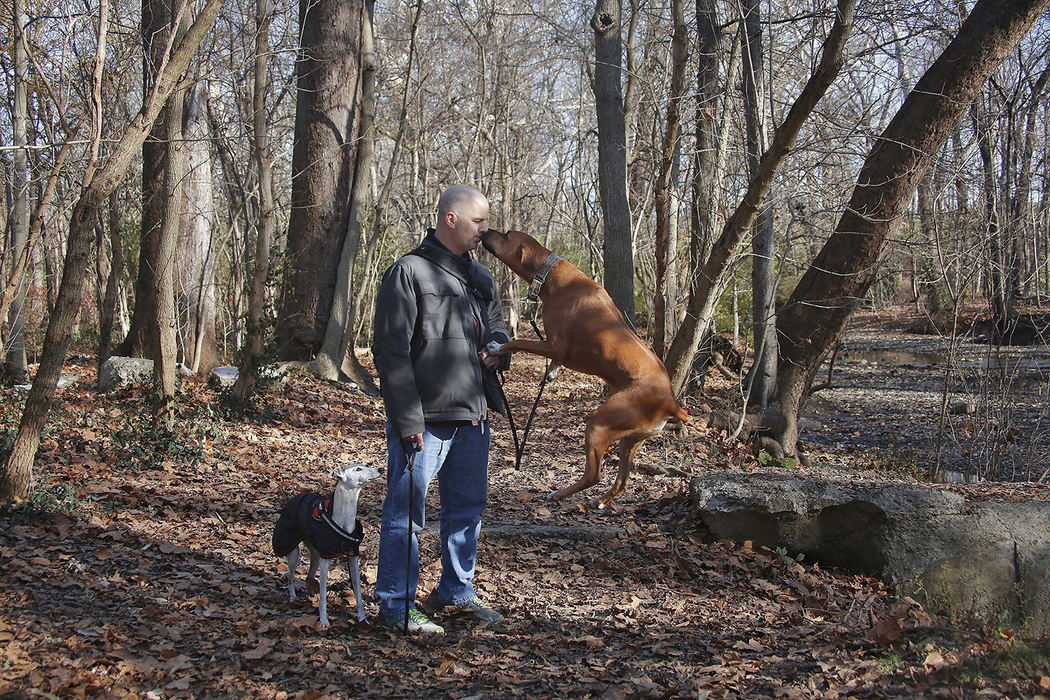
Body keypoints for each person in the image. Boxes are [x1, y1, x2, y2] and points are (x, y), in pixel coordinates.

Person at [371, 185, 511, 634]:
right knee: (405, 515)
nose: (485, 232)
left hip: (474, 418)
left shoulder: (482, 277)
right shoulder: (407, 272)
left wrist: (496, 348)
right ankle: (396, 607)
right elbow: (390, 353)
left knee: (467, 510)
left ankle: (457, 590)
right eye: (478, 223)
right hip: (424, 422)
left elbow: (499, 328)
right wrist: (407, 420)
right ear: (450, 218)